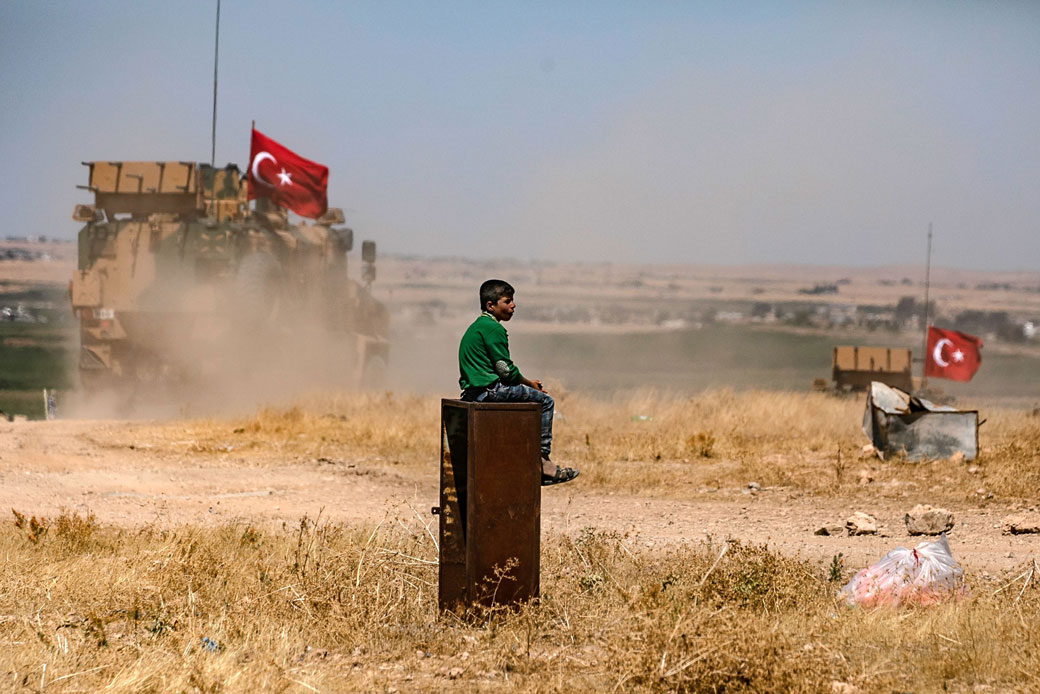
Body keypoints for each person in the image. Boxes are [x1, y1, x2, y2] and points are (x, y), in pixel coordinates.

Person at [458, 279, 579, 486]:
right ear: (491, 306)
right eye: (507, 301)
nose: (513, 305)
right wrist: (529, 383)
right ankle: (542, 462)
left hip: (473, 392)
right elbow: (504, 370)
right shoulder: (492, 329)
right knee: (545, 402)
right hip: (491, 390)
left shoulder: (476, 326)